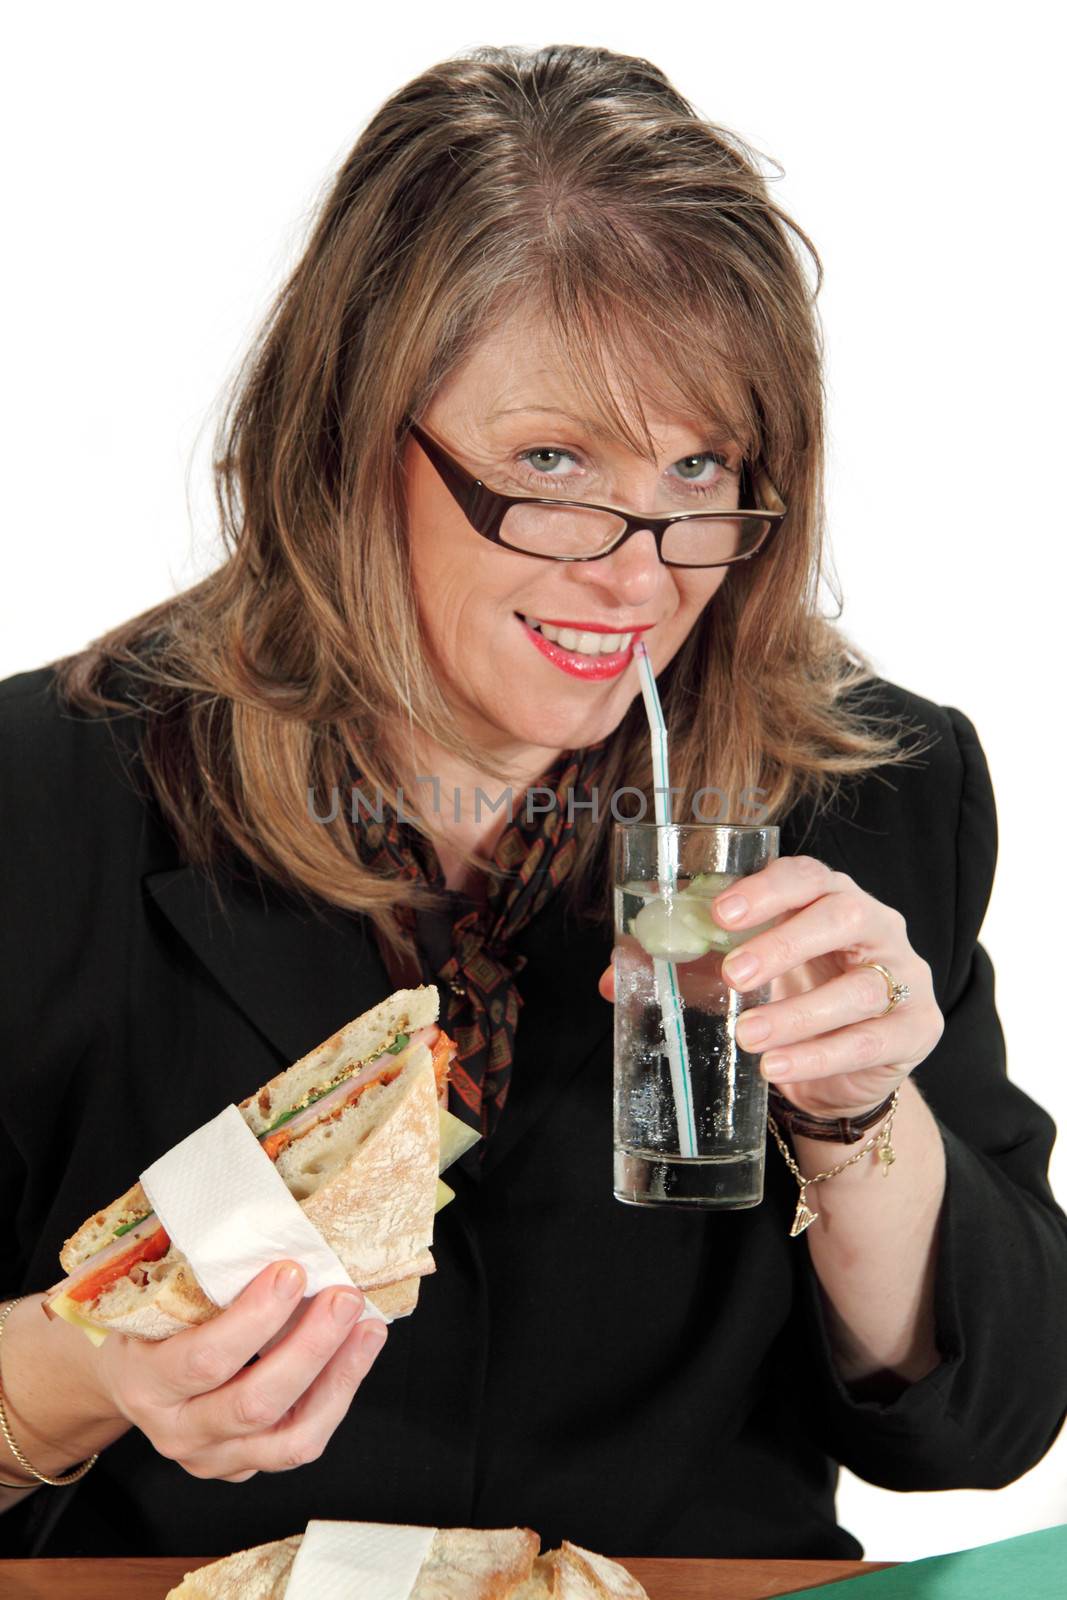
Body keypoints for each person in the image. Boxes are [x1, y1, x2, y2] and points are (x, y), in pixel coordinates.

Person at [2, 41, 1065, 1564]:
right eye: (553, 461)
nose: (639, 573)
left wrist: (856, 1115)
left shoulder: (871, 792)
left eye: (702, 467)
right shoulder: (45, 800)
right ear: (352, 446)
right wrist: (84, 1372)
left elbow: (988, 1422)